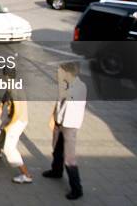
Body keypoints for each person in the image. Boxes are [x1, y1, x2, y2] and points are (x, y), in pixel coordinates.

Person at [43, 62, 87, 200]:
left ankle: (77, 189)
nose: (58, 74)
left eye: (60, 72)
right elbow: (59, 101)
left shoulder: (78, 87)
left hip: (70, 125)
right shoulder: (67, 85)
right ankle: (56, 171)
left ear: (68, 74)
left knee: (69, 158)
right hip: (60, 122)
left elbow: (66, 97)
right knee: (56, 149)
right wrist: (54, 118)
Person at [0, 68, 32, 183]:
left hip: (17, 121)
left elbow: (18, 111)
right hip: (12, 118)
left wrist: (10, 125)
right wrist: (1, 106)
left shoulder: (15, 90)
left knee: (10, 149)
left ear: (6, 76)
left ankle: (26, 175)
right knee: (0, 133)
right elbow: (6, 94)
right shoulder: (12, 84)